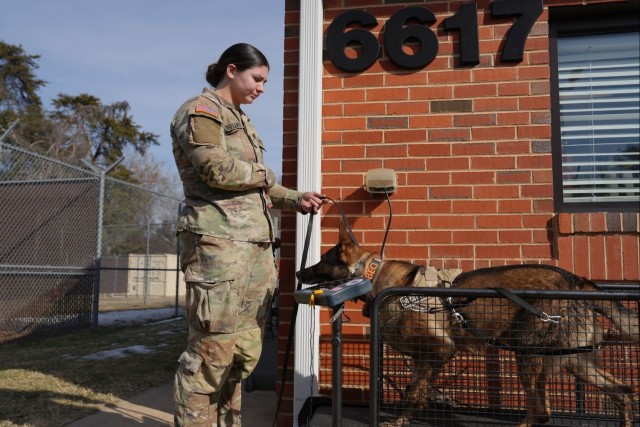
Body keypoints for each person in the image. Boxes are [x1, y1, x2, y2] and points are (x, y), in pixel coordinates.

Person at [170, 42, 327, 426]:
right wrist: (267, 174)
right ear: (231, 70)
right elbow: (217, 171)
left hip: (254, 251)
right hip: (217, 248)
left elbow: (254, 186)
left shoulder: (241, 120)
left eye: (265, 82)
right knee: (211, 351)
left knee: (242, 351)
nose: (261, 87)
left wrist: (296, 198)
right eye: (257, 78)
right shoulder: (201, 110)